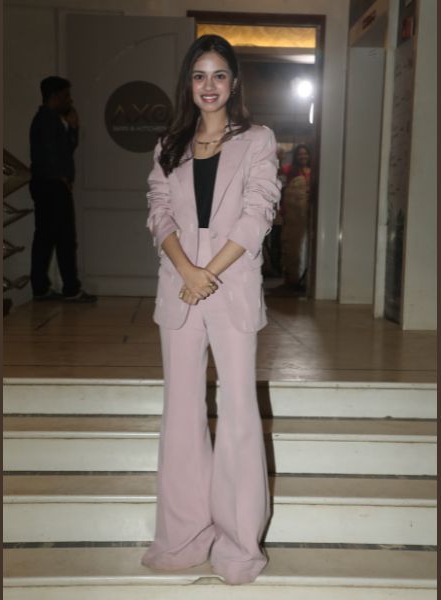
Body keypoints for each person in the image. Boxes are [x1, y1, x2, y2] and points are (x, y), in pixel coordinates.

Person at [141, 34, 281, 585]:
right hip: (180, 288)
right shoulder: (168, 144)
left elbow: (258, 213)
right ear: (188, 84)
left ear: (234, 82)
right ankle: (182, 537)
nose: (209, 85)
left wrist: (209, 272)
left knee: (239, 411)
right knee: (181, 413)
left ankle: (239, 544)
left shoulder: (258, 140)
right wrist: (188, 271)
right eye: (199, 75)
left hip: (231, 283)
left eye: (219, 74)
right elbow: (159, 214)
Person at [28, 76, 97, 303]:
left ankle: (41, 288)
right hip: (52, 186)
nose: (70, 100)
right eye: (66, 95)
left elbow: (61, 149)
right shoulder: (48, 120)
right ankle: (70, 289)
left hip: (46, 185)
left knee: (46, 238)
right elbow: (57, 153)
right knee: (64, 238)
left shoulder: (45, 119)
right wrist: (61, 178)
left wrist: (72, 129)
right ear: (55, 96)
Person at [280, 144, 312, 288]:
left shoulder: (314, 170)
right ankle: (292, 278)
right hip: (293, 214)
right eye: (300, 154)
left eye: (305, 154)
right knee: (292, 245)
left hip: (308, 213)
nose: (303, 156)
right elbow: (276, 171)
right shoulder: (290, 169)